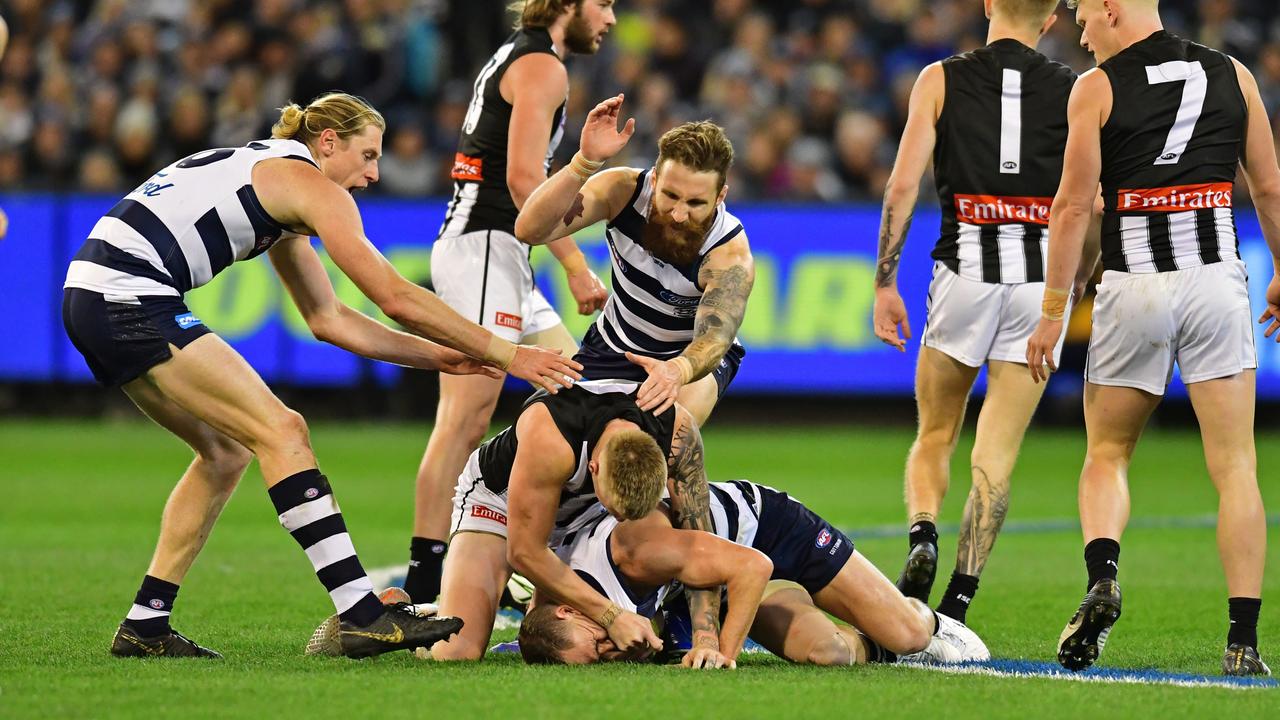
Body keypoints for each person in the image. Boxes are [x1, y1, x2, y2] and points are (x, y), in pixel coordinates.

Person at [62, 92, 580, 659]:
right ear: (327, 143)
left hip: (91, 293)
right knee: (284, 432)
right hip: (128, 296)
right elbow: (393, 295)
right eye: (366, 155)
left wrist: (440, 356)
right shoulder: (309, 184)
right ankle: (361, 614)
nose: (372, 173)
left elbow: (328, 318)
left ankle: (146, 624)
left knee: (227, 453)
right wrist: (508, 355)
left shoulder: (272, 177)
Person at [1026, 0, 1280, 676]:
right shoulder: (1235, 74)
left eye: (1083, 15)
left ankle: (1103, 573)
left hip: (1134, 276)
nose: (1079, 29)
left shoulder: (1098, 87)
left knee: (1107, 453)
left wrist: (1055, 309)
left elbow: (1074, 205)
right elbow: (1272, 189)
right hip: (1215, 277)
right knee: (1235, 468)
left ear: (1113, 7)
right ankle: (1242, 641)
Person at [872, 0, 1097, 621]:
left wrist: (885, 283)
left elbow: (901, 186)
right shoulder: (1077, 89)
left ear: (989, 6)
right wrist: (1070, 293)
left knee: (935, 434)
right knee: (996, 455)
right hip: (1035, 283)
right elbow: (1090, 205)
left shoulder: (939, 78)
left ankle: (922, 535)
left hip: (964, 270)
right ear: (1050, 21)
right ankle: (958, 603)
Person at [404, 0, 614, 606]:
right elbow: (526, 181)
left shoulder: (515, 54)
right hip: (488, 248)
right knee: (465, 421)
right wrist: (575, 266)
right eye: (603, 3)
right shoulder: (544, 67)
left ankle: (548, 560)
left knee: (585, 394)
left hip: (497, 255)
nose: (611, 19)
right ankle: (428, 589)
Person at [517, 479, 989, 667]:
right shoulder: (553, 608)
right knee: (829, 655)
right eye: (600, 658)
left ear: (567, 608)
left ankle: (932, 618)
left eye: (597, 643)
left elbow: (752, 563)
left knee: (906, 633)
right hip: (698, 585)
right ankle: (864, 639)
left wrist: (724, 652)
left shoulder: (637, 552)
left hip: (765, 530)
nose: (610, 649)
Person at [424, 382, 718, 662]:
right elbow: (525, 551)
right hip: (499, 503)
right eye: (617, 510)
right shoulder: (550, 434)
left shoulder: (678, 433)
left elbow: (702, 544)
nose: (622, 520)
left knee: (634, 620)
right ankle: (421, 613)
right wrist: (612, 616)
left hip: (588, 511)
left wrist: (707, 640)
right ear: (594, 467)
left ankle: (668, 606)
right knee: (456, 651)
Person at [515, 97, 754, 426]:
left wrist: (675, 371)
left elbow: (714, 339)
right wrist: (583, 162)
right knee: (552, 440)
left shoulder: (728, 252)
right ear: (654, 178)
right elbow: (530, 229)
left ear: (720, 196)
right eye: (670, 196)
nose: (679, 215)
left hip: (688, 360)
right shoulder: (622, 192)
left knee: (666, 440)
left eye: (697, 202)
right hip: (615, 342)